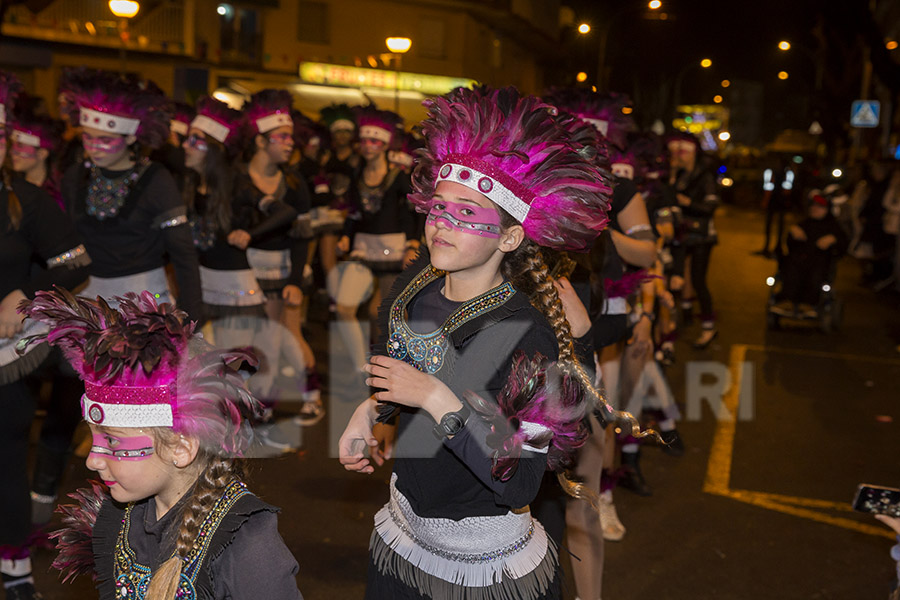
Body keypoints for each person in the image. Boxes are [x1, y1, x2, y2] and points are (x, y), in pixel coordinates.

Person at [339, 86, 637, 600]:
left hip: (485, 571)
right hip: (402, 538)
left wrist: (435, 398)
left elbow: (523, 478)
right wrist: (370, 412)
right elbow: (405, 374)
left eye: (468, 214)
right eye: (439, 208)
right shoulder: (415, 287)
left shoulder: (530, 336)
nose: (442, 225)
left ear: (509, 237)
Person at [19, 290, 303, 600]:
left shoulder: (248, 545)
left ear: (181, 448)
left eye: (112, 440)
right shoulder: (118, 519)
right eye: (93, 437)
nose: (92, 460)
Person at [0, 70, 91, 600]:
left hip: (6, 357)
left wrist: (24, 294)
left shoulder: (26, 199)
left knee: (9, 458)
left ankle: (13, 566)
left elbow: (75, 260)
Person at [57, 68, 202, 320]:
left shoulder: (156, 179)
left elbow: (183, 252)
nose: (94, 148)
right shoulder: (74, 176)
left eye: (105, 140)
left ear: (131, 138)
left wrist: (190, 315)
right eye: (88, 138)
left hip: (144, 307)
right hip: (86, 305)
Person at [182, 96, 295, 348]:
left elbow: (284, 212)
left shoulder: (236, 184)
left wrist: (250, 234)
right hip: (202, 284)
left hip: (235, 290)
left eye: (194, 140)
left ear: (212, 148)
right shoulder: (189, 184)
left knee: (231, 371)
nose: (184, 145)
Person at [237, 89, 319, 423]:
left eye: (291, 138)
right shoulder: (237, 179)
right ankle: (267, 398)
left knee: (284, 337)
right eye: (281, 137)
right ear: (260, 141)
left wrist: (296, 281)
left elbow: (303, 236)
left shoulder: (295, 183)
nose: (289, 144)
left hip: (284, 272)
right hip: (246, 272)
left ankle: (301, 399)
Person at [334, 105, 418, 373]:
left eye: (375, 141)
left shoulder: (398, 176)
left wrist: (412, 243)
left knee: (385, 313)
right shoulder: (356, 174)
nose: (368, 146)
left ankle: (399, 362)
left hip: (392, 251)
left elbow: (414, 213)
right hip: (361, 248)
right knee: (344, 307)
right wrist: (345, 237)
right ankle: (362, 362)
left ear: (384, 145)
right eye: (365, 141)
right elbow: (353, 213)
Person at [665, 132, 720, 349]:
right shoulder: (678, 174)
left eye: (683, 153)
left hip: (701, 237)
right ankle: (682, 317)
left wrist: (687, 202)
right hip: (681, 235)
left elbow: (710, 207)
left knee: (698, 280)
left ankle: (708, 326)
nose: (680, 156)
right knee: (677, 276)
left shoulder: (704, 176)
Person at [772, 192, 847, 316]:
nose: (814, 208)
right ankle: (786, 300)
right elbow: (789, 245)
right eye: (813, 205)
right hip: (798, 260)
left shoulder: (834, 228)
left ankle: (810, 304)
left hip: (820, 262)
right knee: (790, 266)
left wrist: (833, 239)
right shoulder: (804, 224)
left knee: (816, 272)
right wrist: (792, 233)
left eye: (819, 206)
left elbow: (842, 248)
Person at [8, 94, 66, 208]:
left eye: (20, 145)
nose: (12, 151)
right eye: (13, 145)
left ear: (42, 154)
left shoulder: (62, 191)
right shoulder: (11, 188)